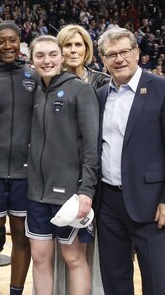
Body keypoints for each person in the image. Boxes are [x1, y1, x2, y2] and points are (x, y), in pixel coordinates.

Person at [97, 27, 165, 295]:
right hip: (108, 202)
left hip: (151, 202)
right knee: (114, 277)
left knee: (156, 279)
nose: (119, 59)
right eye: (111, 54)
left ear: (137, 53)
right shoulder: (102, 94)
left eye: (124, 51)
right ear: (103, 60)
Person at [27, 35, 99, 295]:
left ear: (61, 57)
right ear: (32, 60)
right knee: (39, 257)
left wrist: (86, 189)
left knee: (73, 258)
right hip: (35, 192)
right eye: (40, 55)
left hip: (69, 194)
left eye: (52, 54)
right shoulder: (32, 89)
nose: (47, 61)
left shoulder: (81, 89)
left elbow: (92, 146)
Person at [0, 21, 36, 295]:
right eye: (0, 41)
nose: (7, 46)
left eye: (12, 40)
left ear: (20, 42)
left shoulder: (34, 77)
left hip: (26, 173)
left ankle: (16, 291)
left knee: (23, 236)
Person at [56, 24, 108, 295]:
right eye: (68, 45)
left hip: (94, 174)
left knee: (89, 248)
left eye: (79, 45)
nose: (74, 50)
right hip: (60, 175)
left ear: (87, 49)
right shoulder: (50, 80)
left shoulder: (102, 82)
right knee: (66, 251)